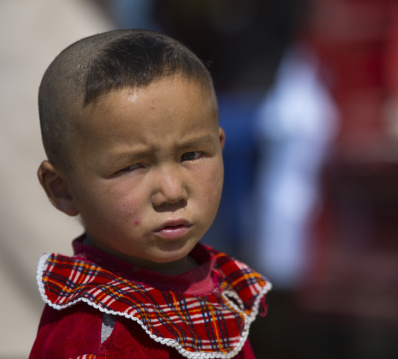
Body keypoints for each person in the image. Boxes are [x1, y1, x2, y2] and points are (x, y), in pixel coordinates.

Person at [29, 29, 271, 359]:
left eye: (191, 155)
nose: (172, 192)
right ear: (63, 190)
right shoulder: (98, 331)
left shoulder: (218, 285)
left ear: (219, 147)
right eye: (132, 166)